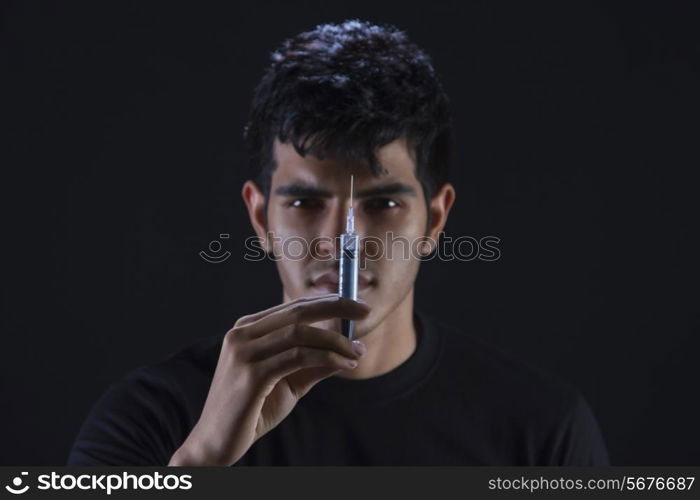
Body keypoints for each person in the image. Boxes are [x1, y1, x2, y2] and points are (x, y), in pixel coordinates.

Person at [67, 19, 609, 466]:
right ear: (260, 217)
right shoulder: (151, 418)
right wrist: (203, 459)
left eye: (383, 203)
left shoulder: (541, 430)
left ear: (435, 219)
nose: (338, 243)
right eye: (304, 203)